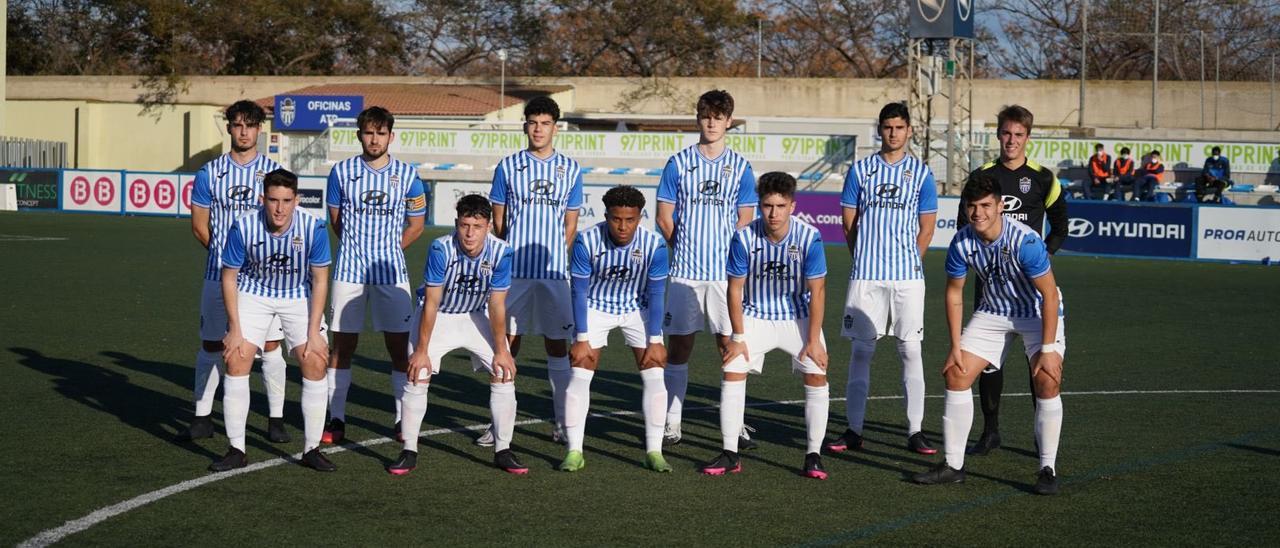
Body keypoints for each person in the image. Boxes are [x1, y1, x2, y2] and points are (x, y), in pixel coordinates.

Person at [912, 175, 1066, 496]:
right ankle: (953, 466)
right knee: (956, 373)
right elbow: (955, 294)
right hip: (993, 312)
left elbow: (1049, 295)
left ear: (1000, 206)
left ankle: (1047, 468)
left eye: (985, 205)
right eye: (971, 206)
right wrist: (956, 346)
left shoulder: (1025, 241)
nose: (978, 213)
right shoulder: (961, 242)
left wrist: (1048, 348)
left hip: (1036, 313)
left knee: (1047, 379)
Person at [699, 172, 830, 480]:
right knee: (732, 369)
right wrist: (738, 336)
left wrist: (812, 340)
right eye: (767, 206)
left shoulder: (809, 237)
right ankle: (730, 452)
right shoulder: (743, 237)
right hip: (754, 315)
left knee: (816, 374)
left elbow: (818, 291)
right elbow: (735, 289)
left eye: (780, 206)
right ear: (759, 205)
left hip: (797, 316)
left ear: (793, 206)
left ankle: (813, 455)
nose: (773, 213)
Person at [826, 102, 938, 457]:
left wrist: (909, 260)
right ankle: (854, 429)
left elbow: (928, 226)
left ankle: (915, 430)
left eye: (899, 127)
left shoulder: (921, 173)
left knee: (910, 351)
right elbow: (849, 223)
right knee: (862, 352)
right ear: (880, 130)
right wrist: (864, 257)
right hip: (867, 278)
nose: (893, 133)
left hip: (907, 278)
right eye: (887, 127)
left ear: (908, 131)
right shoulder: (861, 170)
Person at [388, 195, 527, 475]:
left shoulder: (502, 252)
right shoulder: (441, 248)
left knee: (504, 371)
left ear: (488, 226)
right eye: (464, 225)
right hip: (440, 316)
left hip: (476, 316)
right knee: (417, 373)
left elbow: (497, 304)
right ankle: (409, 450)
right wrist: (422, 350)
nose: (470, 233)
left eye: (477, 226)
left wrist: (502, 350)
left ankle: (503, 449)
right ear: (456, 224)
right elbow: (432, 302)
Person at [956, 105, 1067, 457]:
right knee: (988, 361)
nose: (1011, 141)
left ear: (1027, 138)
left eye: (1018, 135)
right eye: (1006, 133)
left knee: (1038, 362)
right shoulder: (983, 175)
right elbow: (965, 225)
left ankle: (1040, 433)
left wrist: (1044, 254)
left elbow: (1061, 223)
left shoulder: (1044, 178)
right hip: (990, 285)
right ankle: (990, 432)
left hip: (1031, 285)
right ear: (998, 135)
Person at [209, 169, 335, 472]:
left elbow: (319, 280)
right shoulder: (243, 227)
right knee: (237, 359)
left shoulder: (314, 227)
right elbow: (229, 278)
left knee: (315, 360)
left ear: (297, 200)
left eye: (287, 200)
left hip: (298, 295)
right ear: (262, 198)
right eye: (273, 200)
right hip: (254, 293)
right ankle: (237, 449)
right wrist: (235, 329)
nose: (280, 208)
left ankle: (311, 449)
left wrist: (315, 331)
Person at [656, 89, 759, 448]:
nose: (712, 122)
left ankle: (736, 425)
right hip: (685, 275)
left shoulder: (741, 167)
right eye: (706, 116)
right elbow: (664, 216)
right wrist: (683, 247)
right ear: (698, 119)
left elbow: (746, 220)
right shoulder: (679, 163)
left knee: (729, 348)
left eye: (719, 116)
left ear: (729, 121)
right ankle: (672, 423)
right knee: (679, 348)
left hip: (724, 279)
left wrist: (732, 261)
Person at [186, 100, 290, 444]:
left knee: (270, 346)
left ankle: (276, 418)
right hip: (219, 275)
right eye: (237, 125)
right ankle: (202, 415)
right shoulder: (209, 173)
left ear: (260, 129)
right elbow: (200, 226)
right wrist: (227, 258)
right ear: (229, 128)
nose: (244, 131)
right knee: (212, 343)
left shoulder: (274, 172)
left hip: (265, 281)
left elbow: (283, 221)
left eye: (250, 125)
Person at [323, 106, 427, 444]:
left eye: (381, 133)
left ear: (391, 137)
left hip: (391, 273)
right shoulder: (341, 172)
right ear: (359, 135)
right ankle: (336, 418)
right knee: (341, 347)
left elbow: (417, 225)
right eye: (369, 133)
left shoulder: (408, 175)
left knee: (400, 348)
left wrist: (388, 250)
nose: (374, 139)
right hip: (349, 272)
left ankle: (401, 420)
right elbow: (336, 220)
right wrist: (359, 247)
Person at [486, 96, 584, 446]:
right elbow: (499, 222)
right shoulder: (508, 167)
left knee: (557, 345)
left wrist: (556, 254)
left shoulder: (570, 169)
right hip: (515, 273)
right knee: (507, 344)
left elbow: (570, 225)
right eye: (532, 122)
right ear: (525, 126)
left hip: (554, 273)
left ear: (555, 128)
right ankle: (497, 425)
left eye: (545, 123)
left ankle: (560, 422)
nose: (538, 129)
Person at [561, 186, 672, 473]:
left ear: (640, 217)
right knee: (580, 371)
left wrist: (656, 339)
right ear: (606, 215)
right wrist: (581, 337)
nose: (623, 226)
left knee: (655, 372)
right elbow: (580, 292)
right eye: (616, 219)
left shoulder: (654, 245)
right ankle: (574, 450)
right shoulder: (586, 241)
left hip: (638, 308)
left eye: (630, 220)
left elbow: (658, 293)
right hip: (595, 307)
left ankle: (654, 450)